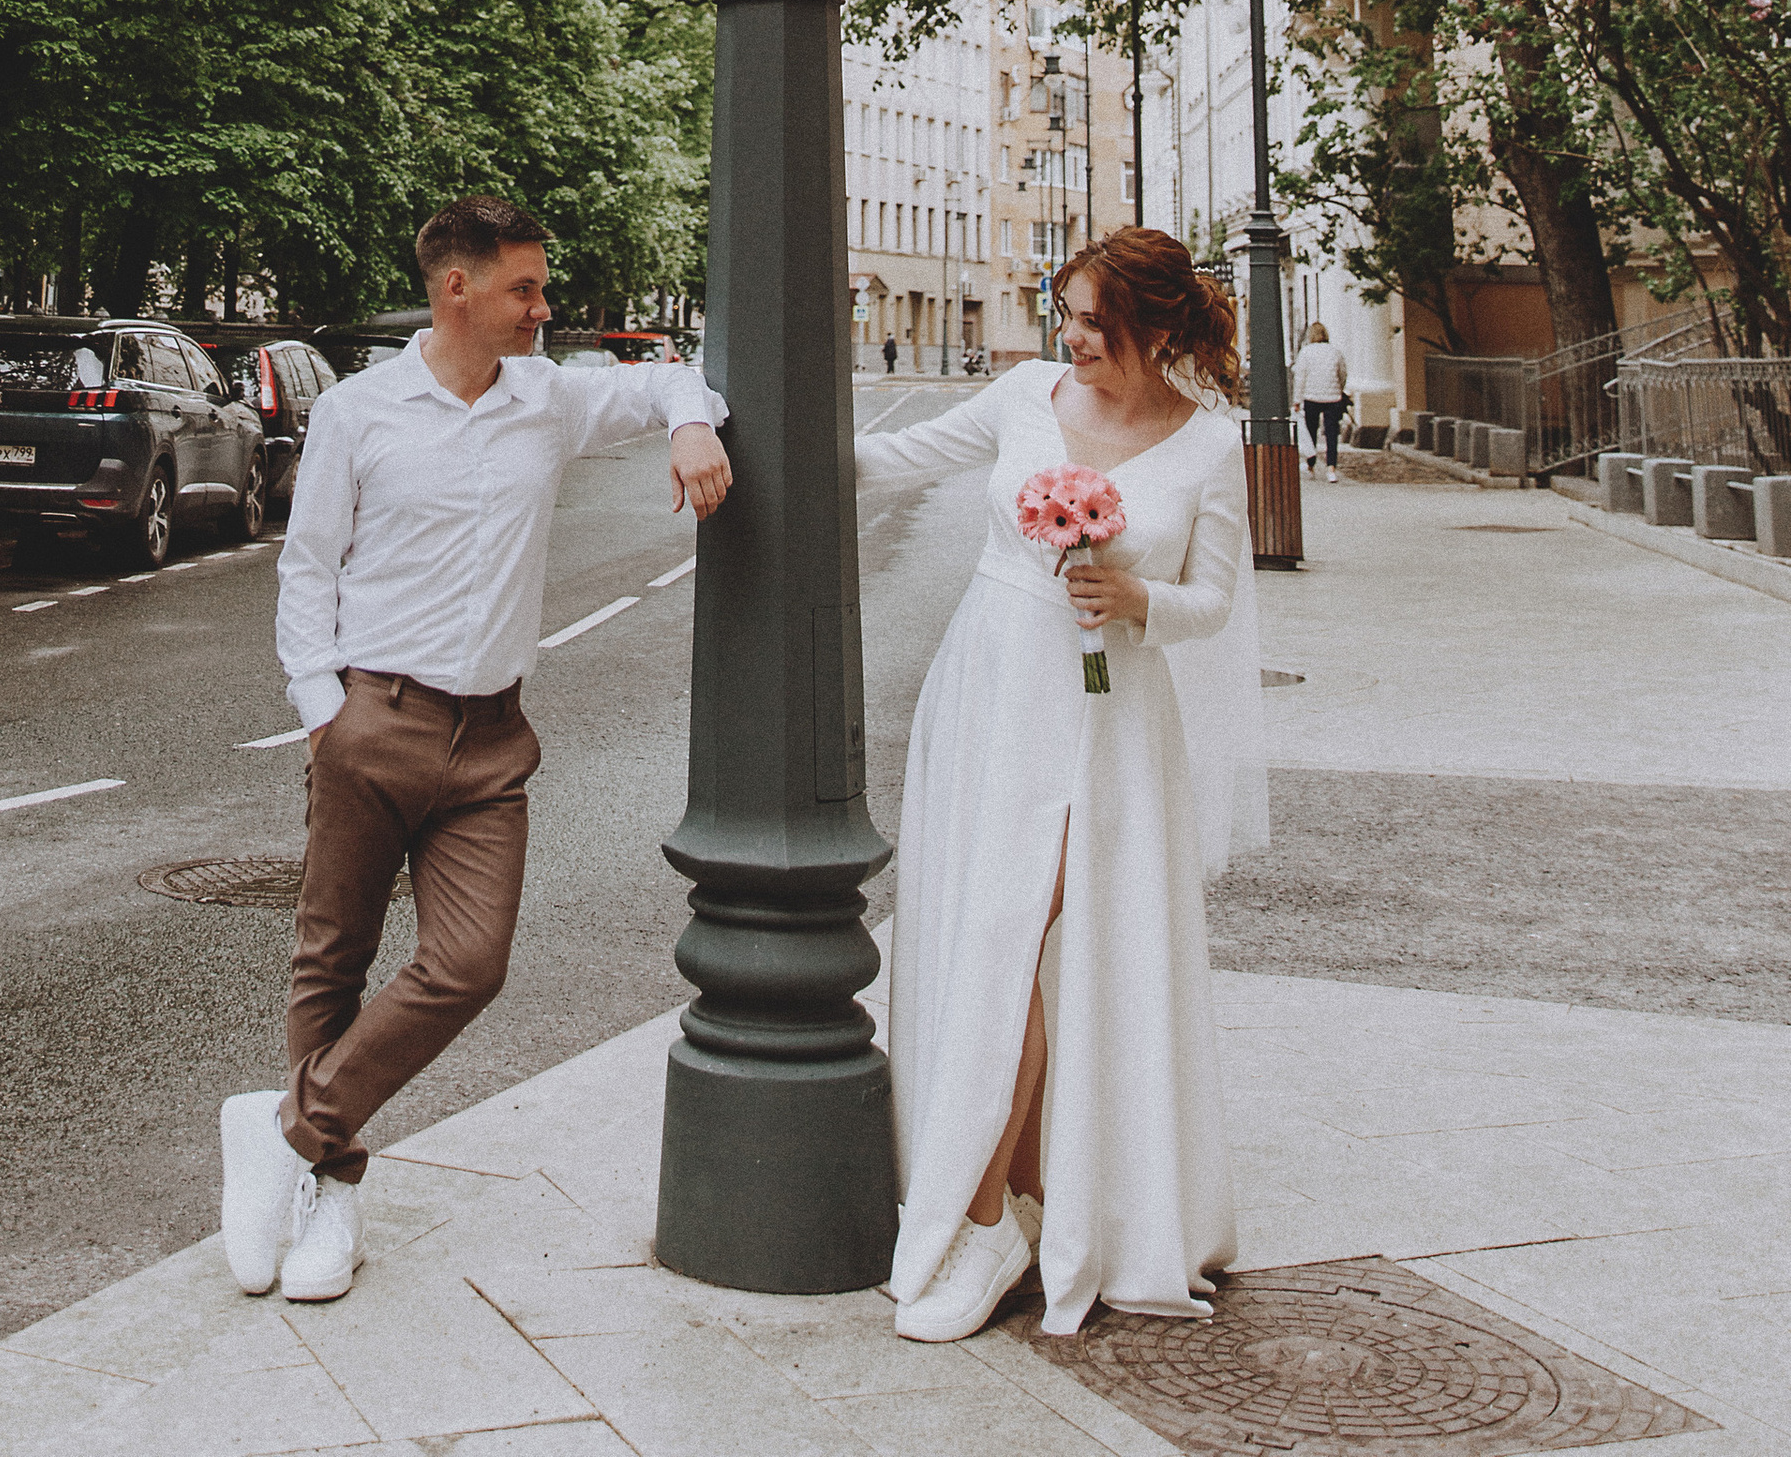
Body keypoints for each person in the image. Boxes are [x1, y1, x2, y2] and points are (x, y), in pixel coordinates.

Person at [217, 193, 732, 1306]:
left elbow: (667, 381)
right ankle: (328, 1192)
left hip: (493, 738)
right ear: (458, 288)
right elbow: (308, 565)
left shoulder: (545, 399)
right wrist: (325, 711)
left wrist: (689, 425)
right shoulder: (359, 411)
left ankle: (284, 1132)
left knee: (467, 966)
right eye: (524, 289)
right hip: (374, 718)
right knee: (333, 957)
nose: (543, 309)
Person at [854, 225, 1266, 1342]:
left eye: (1094, 322)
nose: (1072, 338)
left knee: (1038, 936)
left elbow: (1214, 602)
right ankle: (1004, 1205)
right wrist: (731, 435)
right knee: (994, 934)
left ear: (1157, 331)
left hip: (1113, 718)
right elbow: (891, 460)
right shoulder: (1023, 397)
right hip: (991, 691)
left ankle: (1000, 1215)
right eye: (1068, 315)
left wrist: (1139, 601)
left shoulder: (1207, 444)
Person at [1292, 323, 1349, 474]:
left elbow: (1300, 378)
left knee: (1311, 430)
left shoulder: (1306, 352)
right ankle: (1331, 468)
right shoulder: (1335, 352)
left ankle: (1311, 464)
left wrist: (1297, 400)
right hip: (1333, 398)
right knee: (1332, 433)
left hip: (1311, 397)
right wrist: (1339, 389)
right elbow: (1342, 373)